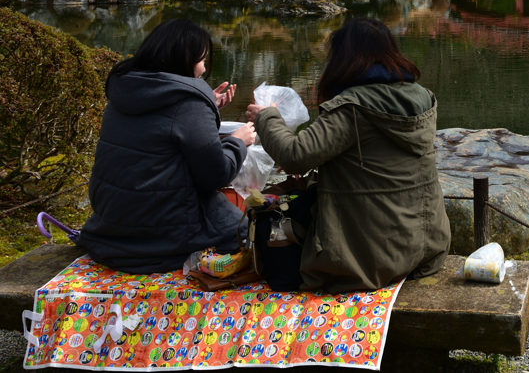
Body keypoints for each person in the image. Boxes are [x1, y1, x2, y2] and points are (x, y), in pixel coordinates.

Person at [245, 17, 450, 293]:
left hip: (374, 258)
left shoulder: (352, 107)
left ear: (345, 58)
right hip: (429, 246)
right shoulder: (421, 96)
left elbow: (294, 155)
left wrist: (267, 117)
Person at [77, 19, 256, 274]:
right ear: (183, 59)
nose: (204, 69)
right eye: (202, 60)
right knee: (250, 233)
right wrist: (238, 141)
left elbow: (159, 130)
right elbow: (215, 175)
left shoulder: (125, 90)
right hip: (162, 231)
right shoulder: (188, 104)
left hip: (112, 226)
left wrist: (208, 109)